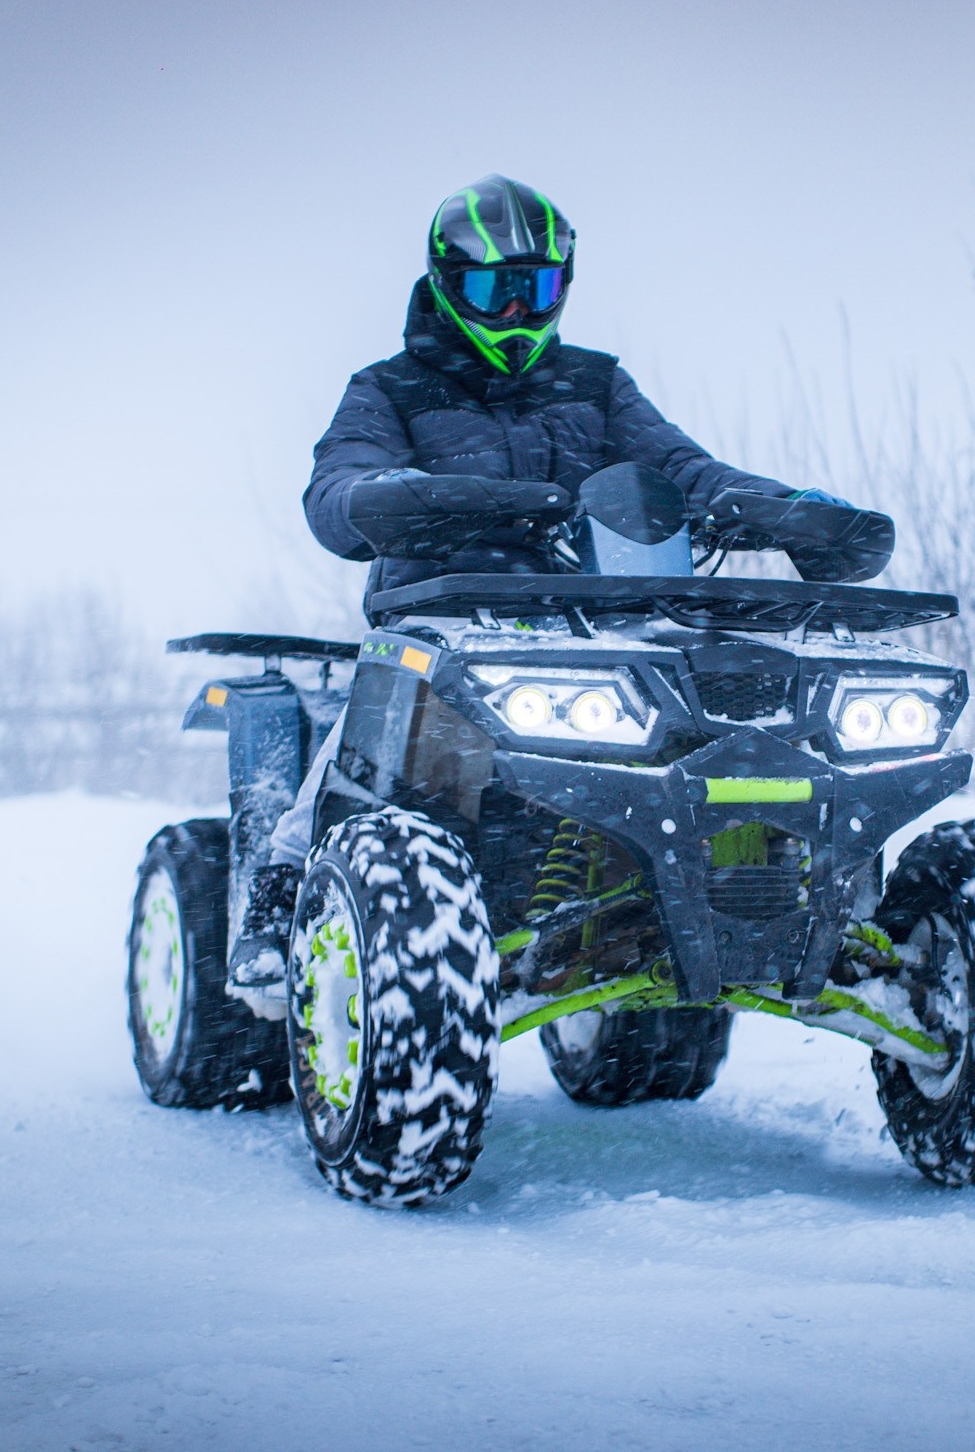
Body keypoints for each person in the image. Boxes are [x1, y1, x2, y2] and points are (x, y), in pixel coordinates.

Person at [228, 175, 833, 986]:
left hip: (601, 622)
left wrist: (786, 510)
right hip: (446, 621)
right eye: (494, 289)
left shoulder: (595, 384)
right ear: (449, 285)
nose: (516, 310)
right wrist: (386, 495)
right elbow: (337, 484)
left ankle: (747, 900)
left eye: (536, 288)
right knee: (358, 735)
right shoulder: (388, 389)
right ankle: (276, 900)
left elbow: (685, 469)